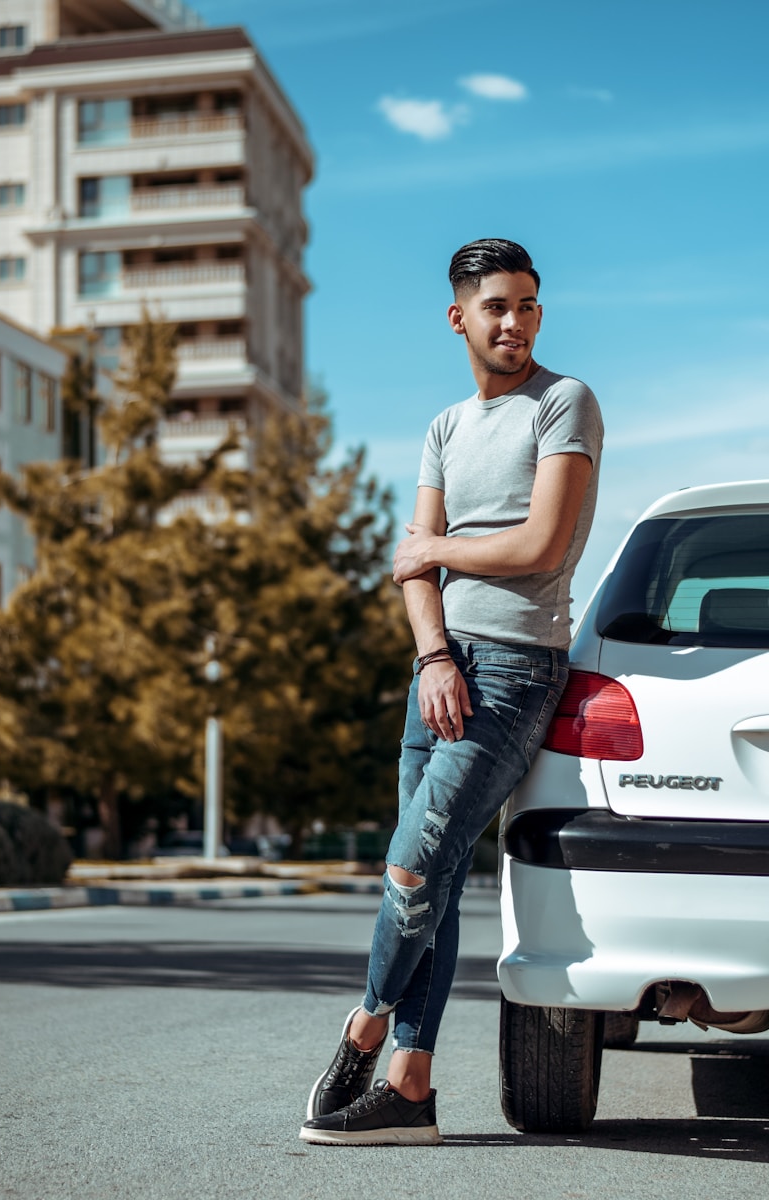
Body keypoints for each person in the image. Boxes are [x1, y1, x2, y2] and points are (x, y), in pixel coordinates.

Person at [299, 238, 604, 1146]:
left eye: (528, 305)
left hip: (514, 671)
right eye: (497, 307)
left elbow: (540, 546)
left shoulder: (564, 403)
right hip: (439, 672)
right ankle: (412, 1089)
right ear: (459, 316)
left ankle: (363, 1028)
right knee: (424, 882)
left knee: (410, 867)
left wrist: (433, 550)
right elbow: (409, 568)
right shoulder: (445, 427)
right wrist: (432, 656)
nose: (515, 323)